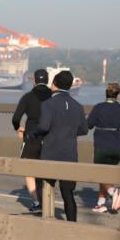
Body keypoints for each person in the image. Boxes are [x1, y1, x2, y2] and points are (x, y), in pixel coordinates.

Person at [34, 71, 88, 222]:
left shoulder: (48, 104)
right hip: (70, 154)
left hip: (50, 153)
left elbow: (44, 127)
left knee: (46, 189)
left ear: (54, 84)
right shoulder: (78, 106)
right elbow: (84, 130)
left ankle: (47, 222)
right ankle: (72, 225)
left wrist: (34, 133)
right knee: (68, 194)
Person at [86, 83, 120, 213]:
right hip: (119, 146)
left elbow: (89, 125)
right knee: (107, 173)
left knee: (99, 172)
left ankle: (113, 191)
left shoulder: (99, 107)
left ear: (106, 93)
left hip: (102, 145)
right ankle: (101, 204)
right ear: (118, 95)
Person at [11, 69, 53, 211]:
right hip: (49, 135)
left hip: (31, 135)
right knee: (46, 168)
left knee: (29, 169)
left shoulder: (28, 97)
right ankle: (47, 200)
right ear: (47, 80)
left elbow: (16, 118)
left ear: (34, 80)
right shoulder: (53, 97)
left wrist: (18, 128)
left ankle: (36, 202)